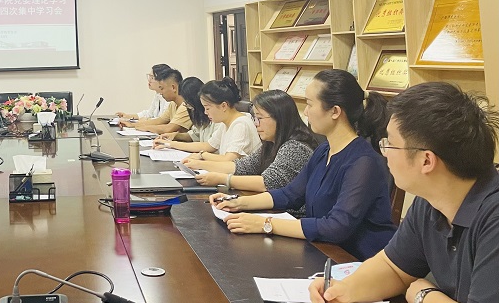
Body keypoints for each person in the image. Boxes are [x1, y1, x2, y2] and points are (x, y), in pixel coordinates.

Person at [309, 82, 499, 303]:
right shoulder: (429, 202)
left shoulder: (493, 216)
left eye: (390, 144)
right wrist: (343, 289)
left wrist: (425, 295)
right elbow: (394, 268)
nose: (384, 152)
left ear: (426, 161)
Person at [210, 69, 396, 261]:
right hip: (322, 250)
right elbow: (290, 194)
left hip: (355, 259)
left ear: (335, 111)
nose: (305, 112)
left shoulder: (363, 162)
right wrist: (237, 203)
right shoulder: (324, 151)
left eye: (309, 104)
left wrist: (265, 223)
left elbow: (337, 227)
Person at [186, 90, 317, 198]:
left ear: (280, 118)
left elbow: (267, 182)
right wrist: (199, 164)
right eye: (255, 118)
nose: (255, 123)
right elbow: (242, 166)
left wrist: (223, 179)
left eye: (260, 118)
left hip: (290, 215)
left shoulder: (296, 147)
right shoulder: (271, 143)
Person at [154, 77, 259, 160]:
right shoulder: (226, 123)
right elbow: (208, 146)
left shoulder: (241, 124)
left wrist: (201, 156)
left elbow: (229, 159)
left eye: (207, 108)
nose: (205, 112)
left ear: (223, 106)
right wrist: (169, 144)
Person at [121, 69, 192, 135]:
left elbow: (168, 128)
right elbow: (160, 120)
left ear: (173, 87)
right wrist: (133, 125)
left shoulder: (185, 106)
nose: (160, 92)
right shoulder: (173, 104)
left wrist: (145, 127)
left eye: (162, 88)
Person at [156, 77, 219, 143]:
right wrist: (175, 136)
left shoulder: (216, 118)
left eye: (187, 103)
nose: (187, 106)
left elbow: (209, 145)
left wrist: (171, 144)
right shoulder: (199, 114)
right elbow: (195, 134)